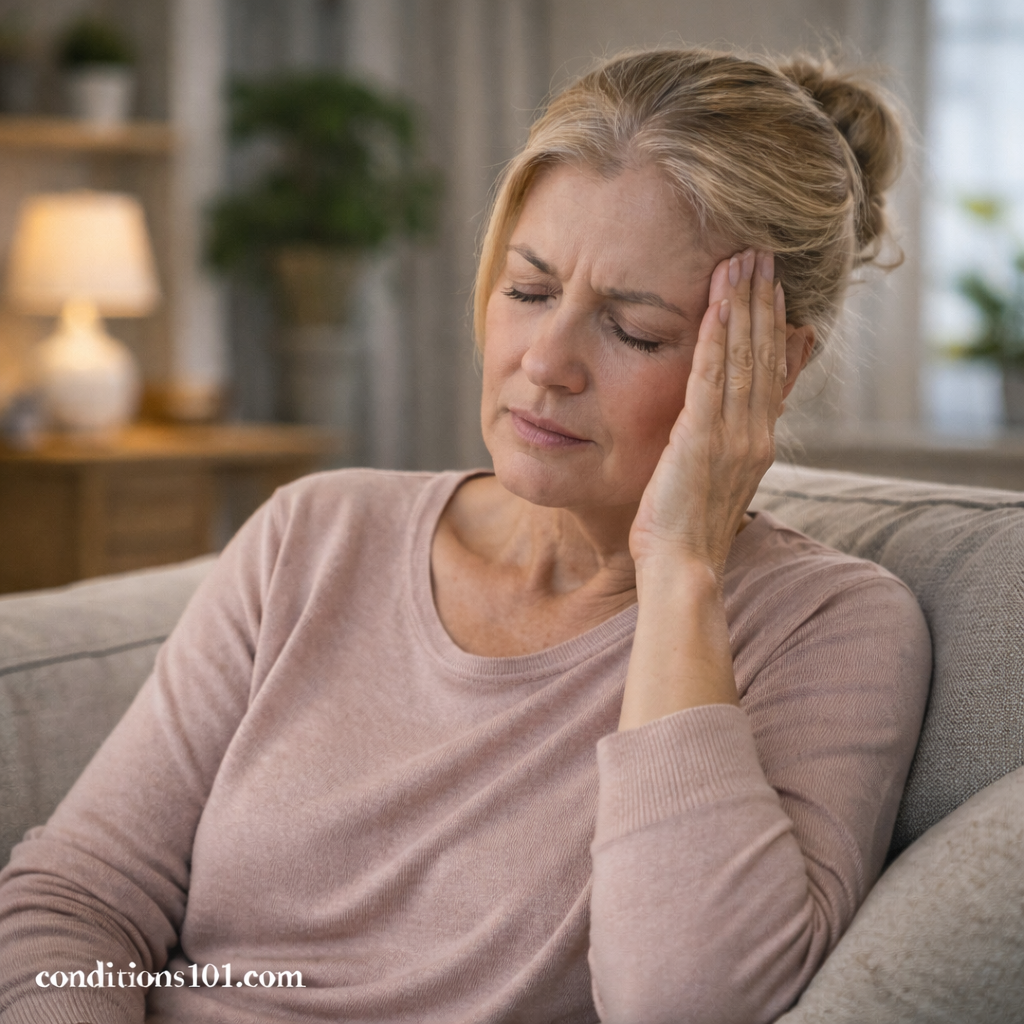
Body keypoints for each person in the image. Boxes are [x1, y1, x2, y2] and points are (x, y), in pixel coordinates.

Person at [0, 46, 930, 1024]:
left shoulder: (830, 629)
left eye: (634, 329)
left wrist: (680, 575)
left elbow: (685, 1001)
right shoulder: (314, 533)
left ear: (768, 369)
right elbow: (76, 898)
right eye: (528, 291)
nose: (544, 362)